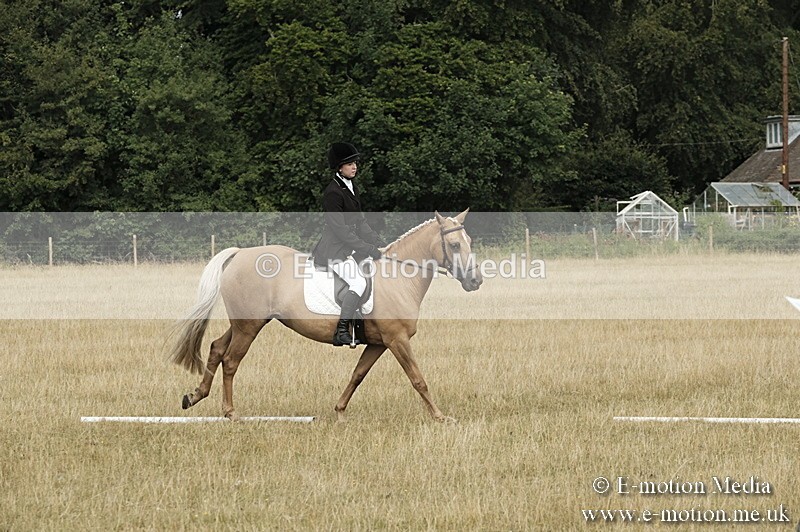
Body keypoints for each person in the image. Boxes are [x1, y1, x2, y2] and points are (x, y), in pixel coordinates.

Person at [311, 142, 383, 346]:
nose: (355, 167)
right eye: (350, 164)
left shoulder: (351, 187)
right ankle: (341, 330)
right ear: (339, 167)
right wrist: (366, 248)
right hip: (334, 250)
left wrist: (378, 242)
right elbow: (340, 230)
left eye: (355, 163)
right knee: (358, 283)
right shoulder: (333, 192)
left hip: (349, 249)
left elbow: (360, 222)